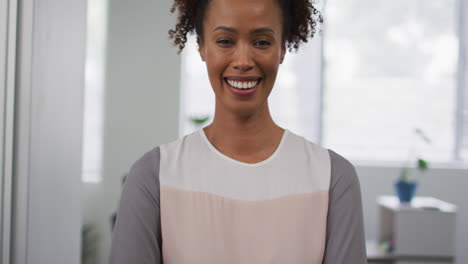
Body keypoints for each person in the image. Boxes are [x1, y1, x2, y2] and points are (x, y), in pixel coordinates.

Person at [109, 0, 367, 263]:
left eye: (262, 42)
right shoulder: (154, 177)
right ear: (201, 46)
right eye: (225, 41)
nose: (243, 61)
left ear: (283, 49)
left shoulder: (332, 178)